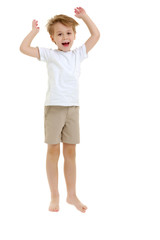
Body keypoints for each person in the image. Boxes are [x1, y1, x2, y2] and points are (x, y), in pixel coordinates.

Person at [20, 7, 100, 213]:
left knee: (71, 152)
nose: (65, 37)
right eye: (60, 34)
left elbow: (96, 35)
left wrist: (84, 17)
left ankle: (71, 195)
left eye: (69, 33)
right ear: (53, 38)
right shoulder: (49, 54)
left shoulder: (78, 54)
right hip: (54, 108)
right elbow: (24, 48)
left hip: (73, 108)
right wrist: (32, 33)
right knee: (53, 150)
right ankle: (54, 195)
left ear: (74, 35)